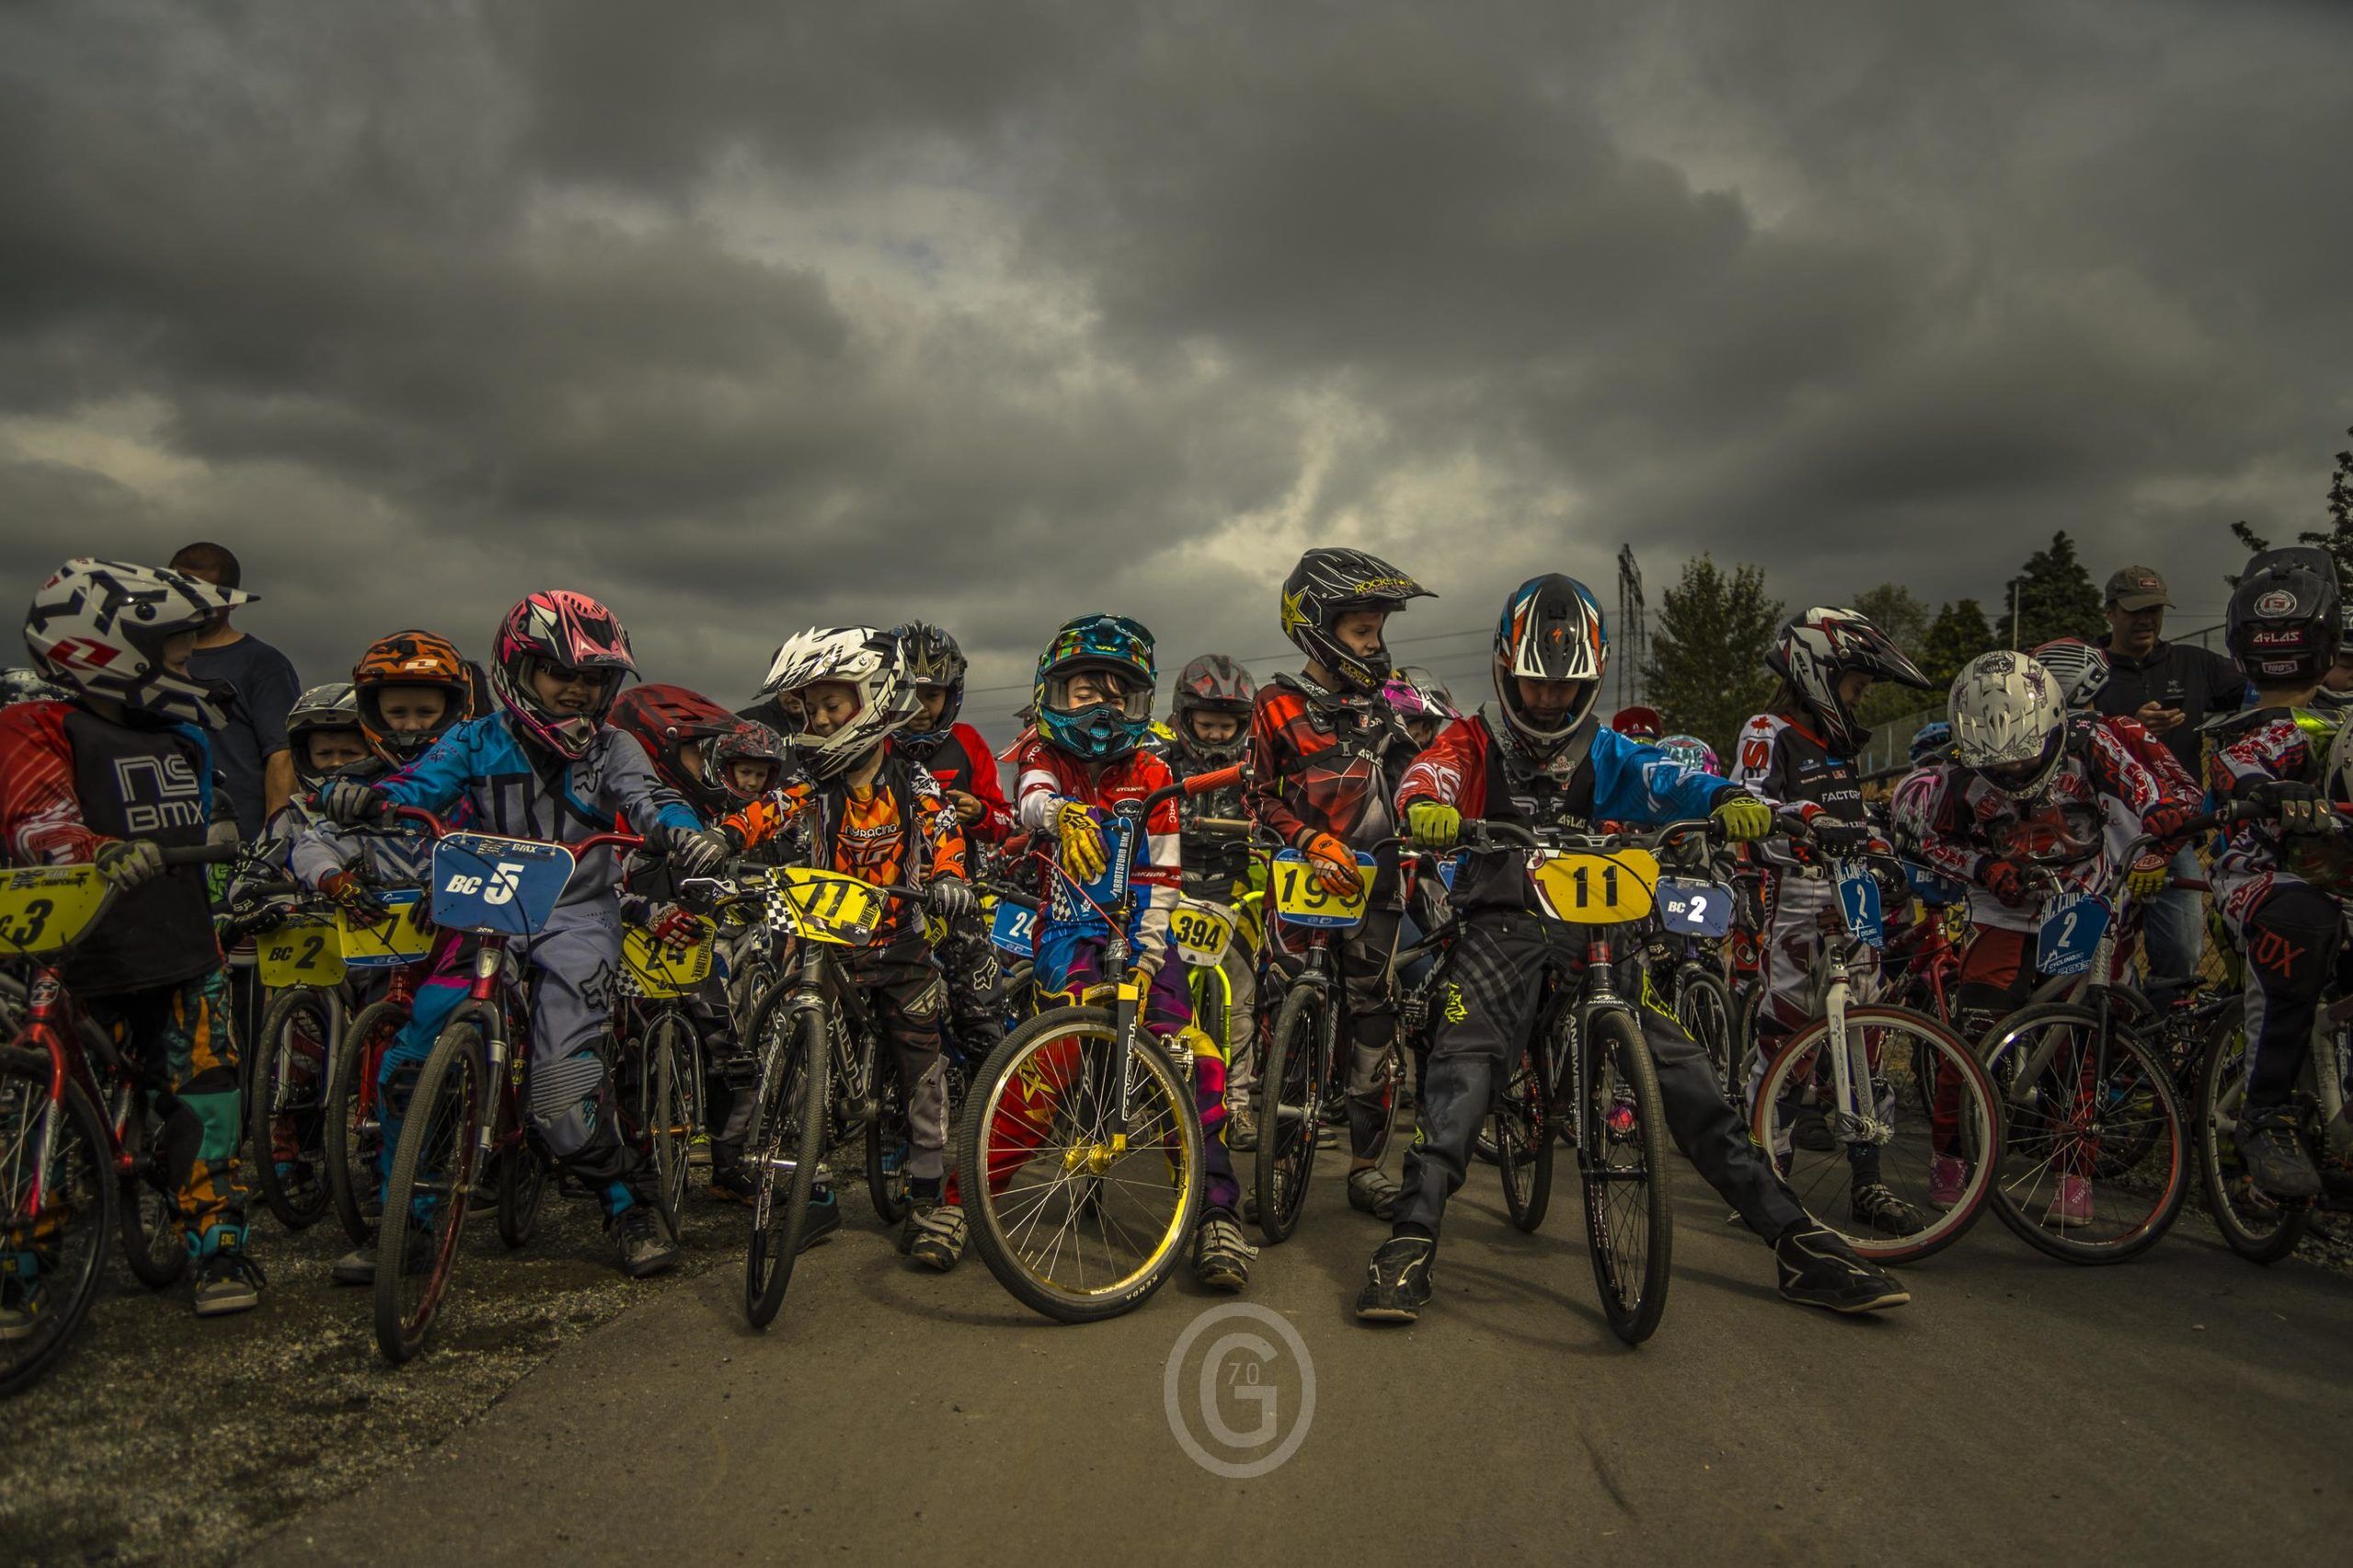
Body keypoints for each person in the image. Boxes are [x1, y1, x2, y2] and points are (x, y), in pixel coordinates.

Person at [1358, 573, 1908, 1321]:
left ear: (1592, 679)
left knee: (1685, 1075)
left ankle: (1794, 1242)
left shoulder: (1608, 748)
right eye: (1534, 684)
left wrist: (1732, 801)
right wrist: (1424, 807)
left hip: (1596, 934)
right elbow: (1433, 773)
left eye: (1565, 687)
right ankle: (1411, 1241)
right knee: (1464, 1070)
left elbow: (1670, 779)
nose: (1548, 700)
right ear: (1504, 669)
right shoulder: (1474, 737)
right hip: (1503, 924)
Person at [318, 591, 722, 1279]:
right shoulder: (476, 737)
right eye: (558, 672)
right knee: (409, 1064)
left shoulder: (614, 747)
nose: (577, 689)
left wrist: (682, 834)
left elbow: (649, 798)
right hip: (480, 907)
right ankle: (407, 1225)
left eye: (592, 678)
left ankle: (627, 1206)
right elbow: (419, 782)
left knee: (565, 1092)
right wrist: (369, 797)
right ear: (517, 668)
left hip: (577, 912)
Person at [3, 559, 266, 1317]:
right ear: (107, 649)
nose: (190, 659)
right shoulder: (35, 726)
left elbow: (204, 813)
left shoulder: (183, 734)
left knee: (206, 1104)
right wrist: (91, 848)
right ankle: (25, 1254)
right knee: (39, 1111)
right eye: (177, 648)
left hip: (180, 946)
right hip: (77, 953)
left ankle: (220, 1246)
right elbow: (36, 820)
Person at [1907, 651, 2201, 1219]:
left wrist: (2162, 822)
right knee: (1972, 1031)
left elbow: (2146, 790)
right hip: (2003, 908)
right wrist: (1981, 868)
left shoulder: (2094, 739)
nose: (2015, 776)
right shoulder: (1957, 772)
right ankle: (1950, 1154)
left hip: (2086, 899)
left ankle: (2074, 1170)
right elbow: (1927, 841)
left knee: (2086, 1037)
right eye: (1999, 768)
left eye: (2025, 759)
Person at [1007, 614, 1249, 1288]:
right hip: (1065, 938)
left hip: (1143, 936)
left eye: (1119, 693)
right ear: (1055, 693)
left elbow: (1165, 879)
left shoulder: (1152, 771)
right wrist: (1060, 816)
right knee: (1041, 1067)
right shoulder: (1043, 757)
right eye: (1086, 690)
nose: (1103, 705)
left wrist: (1145, 963)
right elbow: (1031, 800)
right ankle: (961, 1203)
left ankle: (1216, 1216)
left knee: (1192, 1058)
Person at [755, 627, 974, 1267]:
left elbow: (943, 830)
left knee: (923, 1066)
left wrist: (951, 880)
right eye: (810, 708)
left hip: (900, 946)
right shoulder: (811, 784)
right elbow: (765, 811)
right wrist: (718, 839)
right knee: (793, 1057)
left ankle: (930, 1190)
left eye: (833, 706)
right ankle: (810, 1189)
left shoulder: (916, 782)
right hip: (823, 943)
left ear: (873, 700)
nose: (819, 719)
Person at [1731, 608, 1936, 1236]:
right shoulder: (1768, 729)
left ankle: (1868, 1183)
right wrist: (1802, 822)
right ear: (1818, 672)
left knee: (1864, 1037)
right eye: (1855, 684)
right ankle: (1768, 1174)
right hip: (1795, 895)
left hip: (1853, 896)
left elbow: (1858, 817)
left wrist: (1884, 853)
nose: (1861, 696)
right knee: (1783, 1038)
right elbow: (1747, 803)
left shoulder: (1839, 745)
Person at [1249, 547, 1434, 1221]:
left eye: (1380, 631)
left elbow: (1423, 778)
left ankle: (1365, 1165)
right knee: (1281, 1013)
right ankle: (1278, 1154)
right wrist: (1305, 838)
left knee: (1374, 1027)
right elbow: (1258, 796)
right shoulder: (1272, 705)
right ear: (1319, 626)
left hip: (1378, 887)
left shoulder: (1390, 705)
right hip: (1301, 885)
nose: (1376, 643)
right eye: (1363, 631)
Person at [2201, 549, 2353, 1199]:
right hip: (2259, 878)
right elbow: (2239, 767)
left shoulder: (2343, 718)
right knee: (2300, 920)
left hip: (2344, 881)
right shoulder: (2239, 731)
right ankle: (2267, 1112)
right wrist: (2273, 789)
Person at [2092, 564, 2246, 998]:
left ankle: (2162, 1042)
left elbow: (2262, 693)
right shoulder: (2089, 668)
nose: (2146, 620)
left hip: (2174, 835)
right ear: (2110, 612)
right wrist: (2126, 729)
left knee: (2181, 949)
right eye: (2134, 610)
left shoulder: (2194, 663)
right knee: (2094, 950)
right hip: (2099, 832)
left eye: (2155, 609)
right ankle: (2114, 1032)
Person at [891, 621, 1011, 1064]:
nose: (920, 707)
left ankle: (984, 1112)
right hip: (890, 899)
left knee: (979, 1016)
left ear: (952, 693)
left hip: (960, 898)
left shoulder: (969, 743)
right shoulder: (874, 745)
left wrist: (979, 813)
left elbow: (1006, 823)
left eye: (932, 694)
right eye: (908, 693)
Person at [1158, 653, 1265, 1145]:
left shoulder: (1260, 764)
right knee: (1160, 991)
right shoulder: (1159, 759)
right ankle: (1159, 1092)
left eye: (1229, 725)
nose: (1219, 735)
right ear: (1184, 718)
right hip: (1174, 882)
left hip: (1235, 885)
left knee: (1240, 999)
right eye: (1208, 724)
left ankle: (1238, 1105)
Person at [166, 542, 302, 838]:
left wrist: (272, 841)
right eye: (181, 588)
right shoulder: (143, 660)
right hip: (165, 832)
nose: (192, 600)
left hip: (237, 838)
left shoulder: (262, 664)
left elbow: (282, 756)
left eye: (205, 592)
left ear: (232, 601)